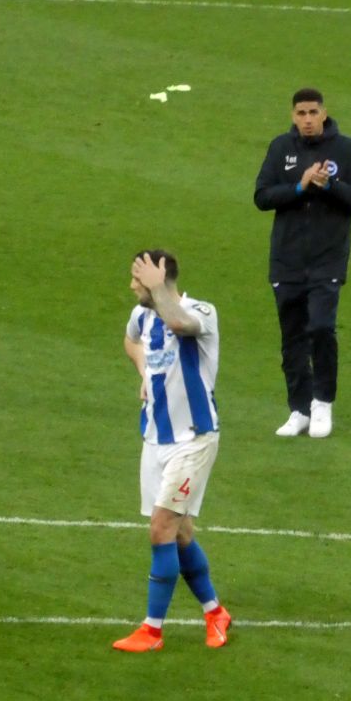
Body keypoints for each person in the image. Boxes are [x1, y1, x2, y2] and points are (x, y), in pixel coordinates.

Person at [113, 250, 233, 652]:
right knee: (180, 533)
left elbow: (179, 323)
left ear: (159, 280)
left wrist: (158, 287)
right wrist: (146, 373)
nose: (132, 286)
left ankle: (152, 630)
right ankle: (215, 612)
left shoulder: (201, 311)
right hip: (155, 439)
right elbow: (131, 342)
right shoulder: (141, 316)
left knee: (161, 527)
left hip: (194, 440)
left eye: (138, 279)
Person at [254, 87, 351, 439]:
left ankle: (322, 402)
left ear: (324, 113)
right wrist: (301, 186)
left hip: (327, 261)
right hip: (286, 261)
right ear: (293, 115)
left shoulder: (345, 149)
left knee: (320, 327)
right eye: (301, 113)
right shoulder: (280, 148)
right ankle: (299, 409)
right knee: (292, 338)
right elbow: (261, 196)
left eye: (313, 113)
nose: (307, 119)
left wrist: (329, 183)